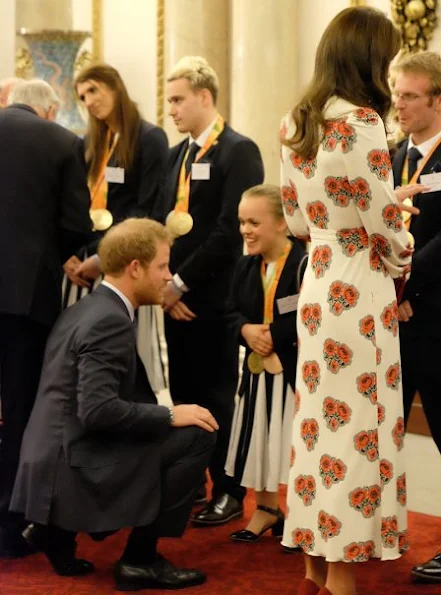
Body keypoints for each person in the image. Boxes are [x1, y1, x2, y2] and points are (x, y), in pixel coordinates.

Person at [280, 8, 426, 595]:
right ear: (368, 58)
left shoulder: (297, 119)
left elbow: (293, 217)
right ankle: (341, 575)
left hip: (317, 280)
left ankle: (315, 569)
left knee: (317, 425)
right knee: (357, 429)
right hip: (358, 287)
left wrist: (347, 222)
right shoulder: (362, 121)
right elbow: (385, 229)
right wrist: (404, 240)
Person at [10, 218, 217, 591]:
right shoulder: (110, 320)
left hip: (49, 456)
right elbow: (97, 411)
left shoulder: (90, 306)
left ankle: (55, 533)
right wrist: (170, 415)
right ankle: (140, 561)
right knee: (197, 433)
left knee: (173, 421)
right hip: (71, 462)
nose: (169, 277)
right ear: (135, 268)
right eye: (162, 266)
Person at [158, 56, 264, 526]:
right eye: (168, 102)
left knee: (219, 394)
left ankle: (228, 488)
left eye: (179, 100)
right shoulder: (176, 154)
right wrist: (165, 284)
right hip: (173, 299)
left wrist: (179, 283)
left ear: (205, 96)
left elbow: (228, 233)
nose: (172, 110)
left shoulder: (237, 150)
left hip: (215, 297)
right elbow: (166, 221)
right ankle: (195, 482)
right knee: (184, 393)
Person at [0, 79, 91, 558]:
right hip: (24, 295)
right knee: (19, 406)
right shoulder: (61, 141)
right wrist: (64, 256)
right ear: (50, 110)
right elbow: (76, 223)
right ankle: (10, 527)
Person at [64, 63, 169, 392]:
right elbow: (77, 204)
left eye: (94, 90)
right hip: (85, 265)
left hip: (123, 265)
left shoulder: (150, 138)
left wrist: (102, 258)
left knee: (128, 363)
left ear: (115, 87)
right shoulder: (90, 143)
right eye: (82, 96)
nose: (89, 101)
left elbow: (148, 209)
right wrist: (71, 255)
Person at [225, 184, 306, 542]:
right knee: (259, 436)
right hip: (257, 372)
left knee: (294, 442)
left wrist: (276, 332)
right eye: (242, 222)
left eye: (254, 222)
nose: (245, 230)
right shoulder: (244, 266)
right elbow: (228, 312)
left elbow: (310, 310)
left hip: (294, 371)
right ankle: (267, 508)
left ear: (282, 224)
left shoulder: (304, 262)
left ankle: (304, 515)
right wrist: (245, 329)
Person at [391, 51, 441, 585]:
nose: (399, 105)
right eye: (396, 95)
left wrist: (405, 285)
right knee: (385, 430)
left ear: (437, 100)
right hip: (390, 319)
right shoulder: (386, 155)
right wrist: (388, 288)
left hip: (434, 316)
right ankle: (379, 532)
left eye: (409, 95)